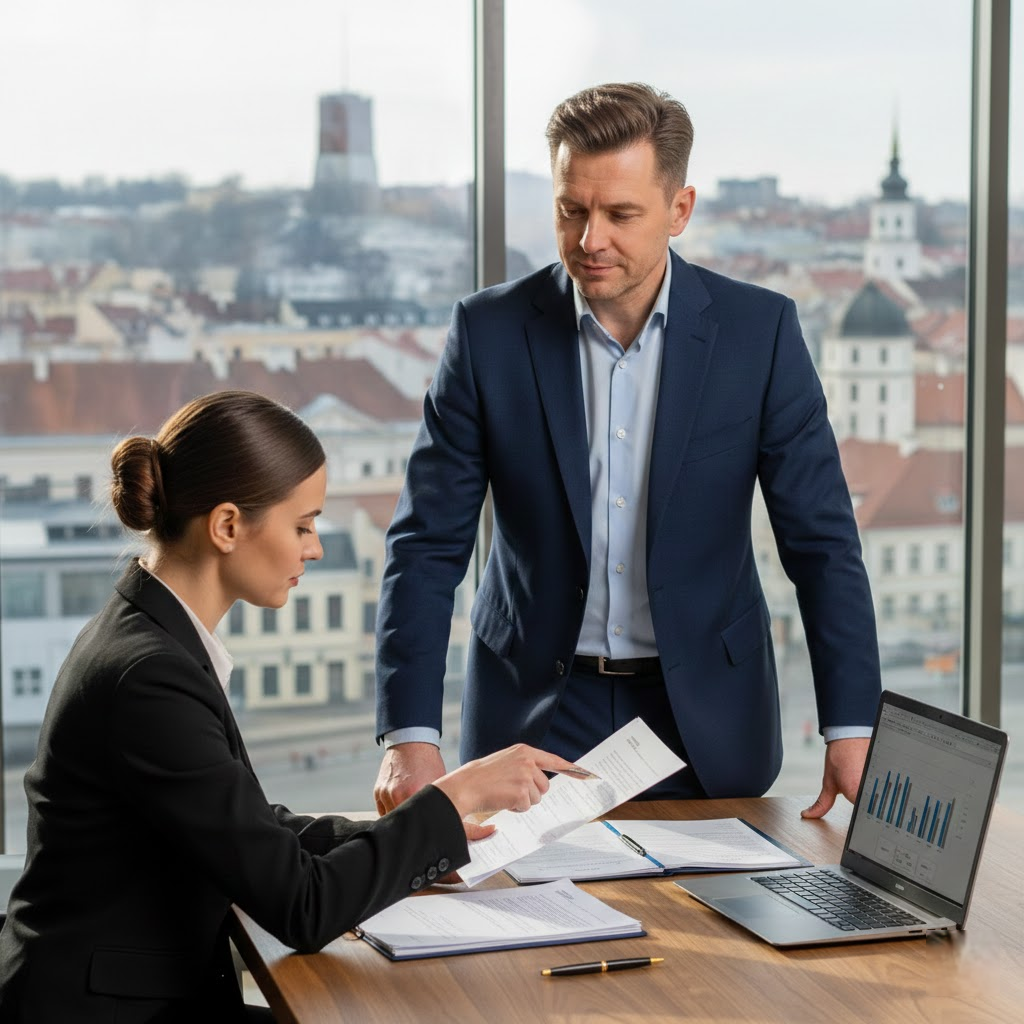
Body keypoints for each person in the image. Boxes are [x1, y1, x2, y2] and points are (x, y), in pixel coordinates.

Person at [374, 82, 881, 824]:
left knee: (721, 902)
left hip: (705, 712)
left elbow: (822, 541)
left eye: (620, 214)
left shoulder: (759, 333)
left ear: (680, 209)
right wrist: (409, 735)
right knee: (523, 906)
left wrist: (851, 723)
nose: (590, 240)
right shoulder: (488, 334)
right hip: (535, 711)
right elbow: (426, 543)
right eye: (571, 210)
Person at [0, 391, 582, 1023]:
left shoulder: (148, 633)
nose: (316, 548)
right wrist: (453, 796)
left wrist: (421, 843)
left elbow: (251, 829)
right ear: (227, 527)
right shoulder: (150, 676)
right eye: (303, 525)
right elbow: (304, 908)